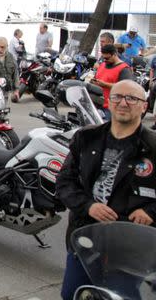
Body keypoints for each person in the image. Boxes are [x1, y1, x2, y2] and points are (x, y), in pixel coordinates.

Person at [56, 80, 156, 300]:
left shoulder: (153, 146)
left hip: (131, 247)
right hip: (85, 239)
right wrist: (88, 206)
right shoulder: (85, 137)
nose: (123, 102)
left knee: (119, 296)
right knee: (72, 294)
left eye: (132, 98)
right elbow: (65, 182)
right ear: (109, 103)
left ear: (144, 106)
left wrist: (151, 212)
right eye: (117, 97)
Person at [92, 44, 134, 120]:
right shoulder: (103, 65)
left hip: (112, 107)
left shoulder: (124, 69)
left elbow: (126, 88)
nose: (105, 60)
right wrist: (93, 81)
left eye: (107, 58)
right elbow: (97, 78)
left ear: (114, 54)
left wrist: (105, 84)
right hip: (97, 104)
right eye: (103, 58)